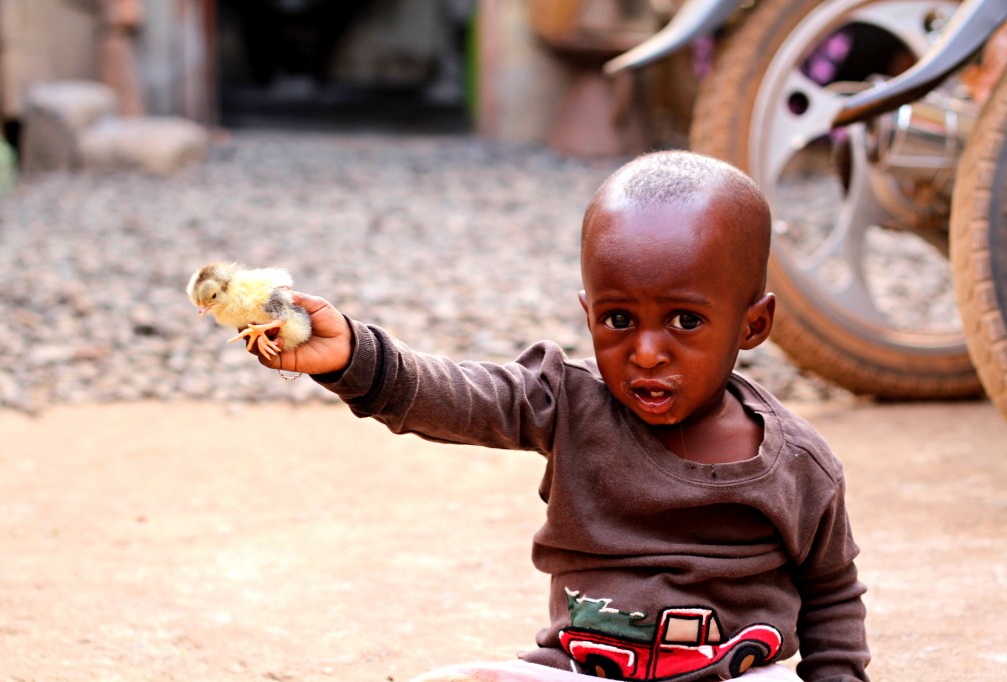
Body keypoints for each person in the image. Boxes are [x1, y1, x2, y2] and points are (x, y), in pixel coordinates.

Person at [253, 151, 869, 681]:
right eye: (618, 319)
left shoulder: (798, 465)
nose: (647, 352)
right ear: (588, 311)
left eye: (685, 321)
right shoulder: (568, 401)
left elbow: (833, 592)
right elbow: (462, 398)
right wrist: (356, 358)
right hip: (586, 669)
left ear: (752, 324)